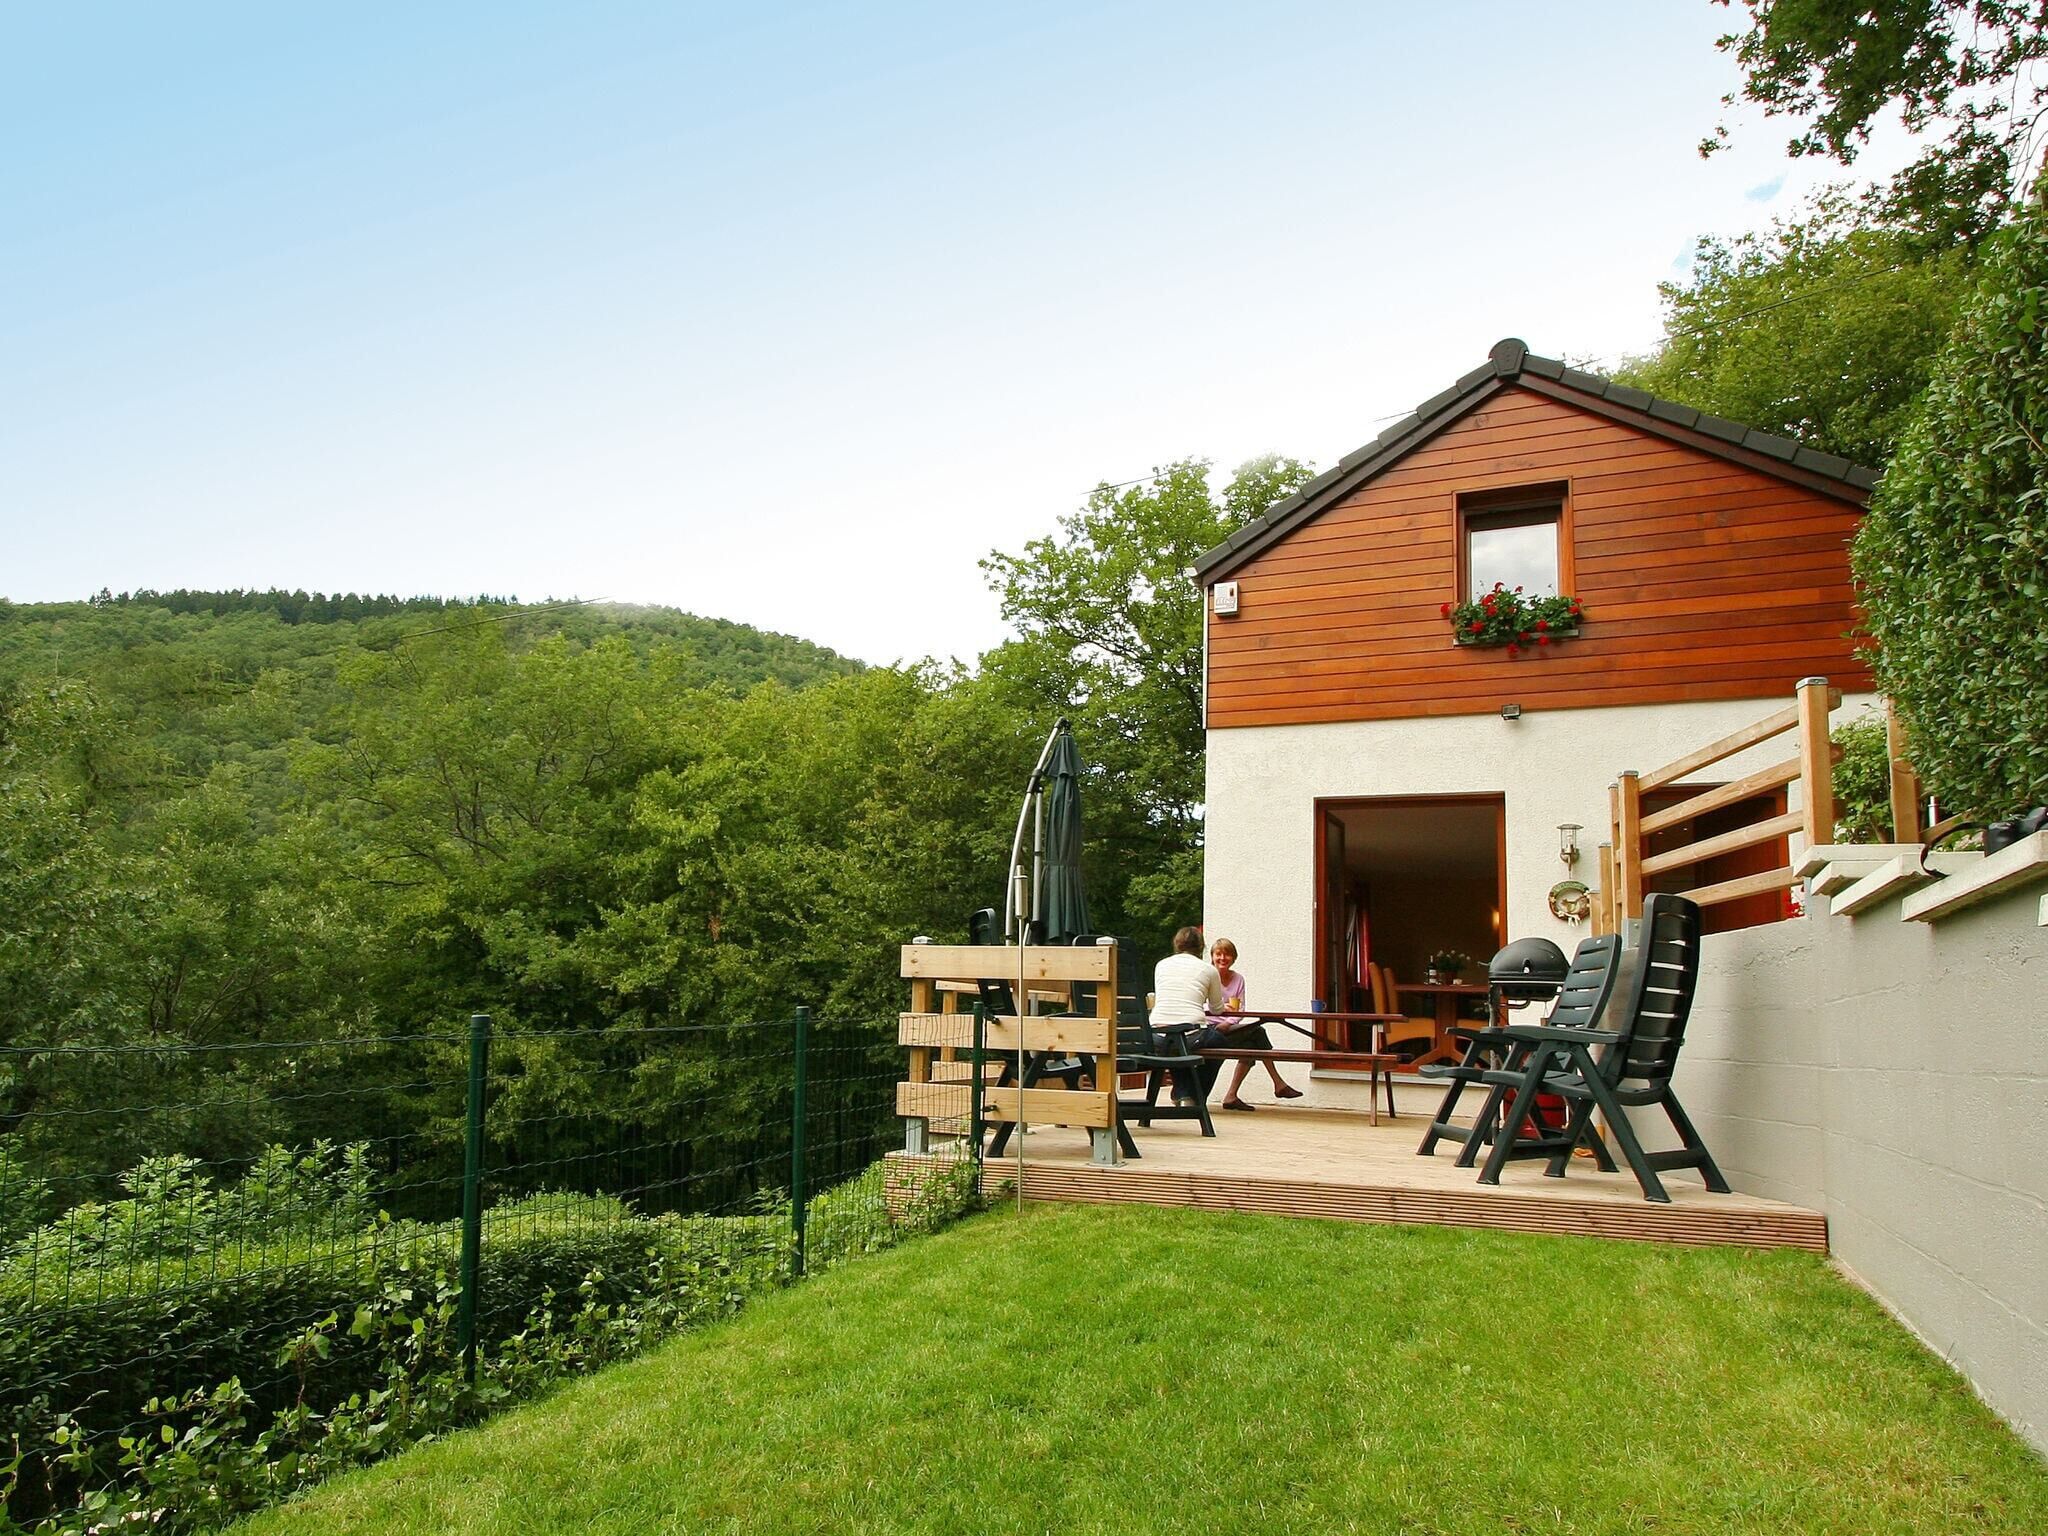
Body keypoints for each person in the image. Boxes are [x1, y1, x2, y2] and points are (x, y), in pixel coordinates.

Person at [1204, 938, 1303, 1111]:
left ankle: (1232, 1096)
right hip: (1208, 1028)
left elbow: (1240, 1008)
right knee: (1257, 1034)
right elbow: (1199, 1004)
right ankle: (1277, 1083)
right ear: (1212, 957)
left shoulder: (1238, 979)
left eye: (1227, 954)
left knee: (1252, 1042)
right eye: (1218, 954)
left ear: (1233, 958)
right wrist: (1218, 1009)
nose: (1222, 958)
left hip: (1228, 1028)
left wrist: (1228, 1022)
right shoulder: (1207, 977)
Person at [1149, 924, 1224, 1104]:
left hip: (1155, 1034)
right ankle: (1194, 1096)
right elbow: (1216, 1009)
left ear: (1177, 944)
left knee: (1175, 1045)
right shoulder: (1209, 970)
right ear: (1201, 947)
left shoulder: (1161, 965)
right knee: (1219, 1043)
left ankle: (1182, 1094)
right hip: (1190, 1034)